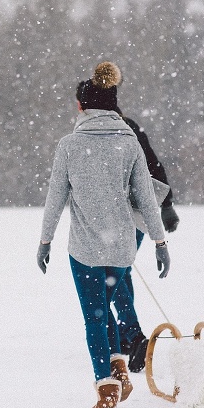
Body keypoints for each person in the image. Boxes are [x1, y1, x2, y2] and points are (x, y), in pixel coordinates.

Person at [37, 61, 171, 408]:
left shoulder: (69, 145)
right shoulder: (130, 143)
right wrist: (159, 242)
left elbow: (56, 198)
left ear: (83, 106)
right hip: (121, 249)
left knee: (95, 317)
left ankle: (107, 391)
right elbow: (146, 197)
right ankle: (119, 371)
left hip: (83, 252)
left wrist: (45, 241)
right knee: (104, 309)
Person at [75, 80, 180, 373]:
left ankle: (130, 336)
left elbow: (151, 165)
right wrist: (166, 203)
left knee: (111, 274)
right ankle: (127, 334)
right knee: (118, 273)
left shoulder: (93, 133)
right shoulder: (124, 126)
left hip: (119, 216)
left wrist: (167, 204)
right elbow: (153, 165)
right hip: (132, 216)